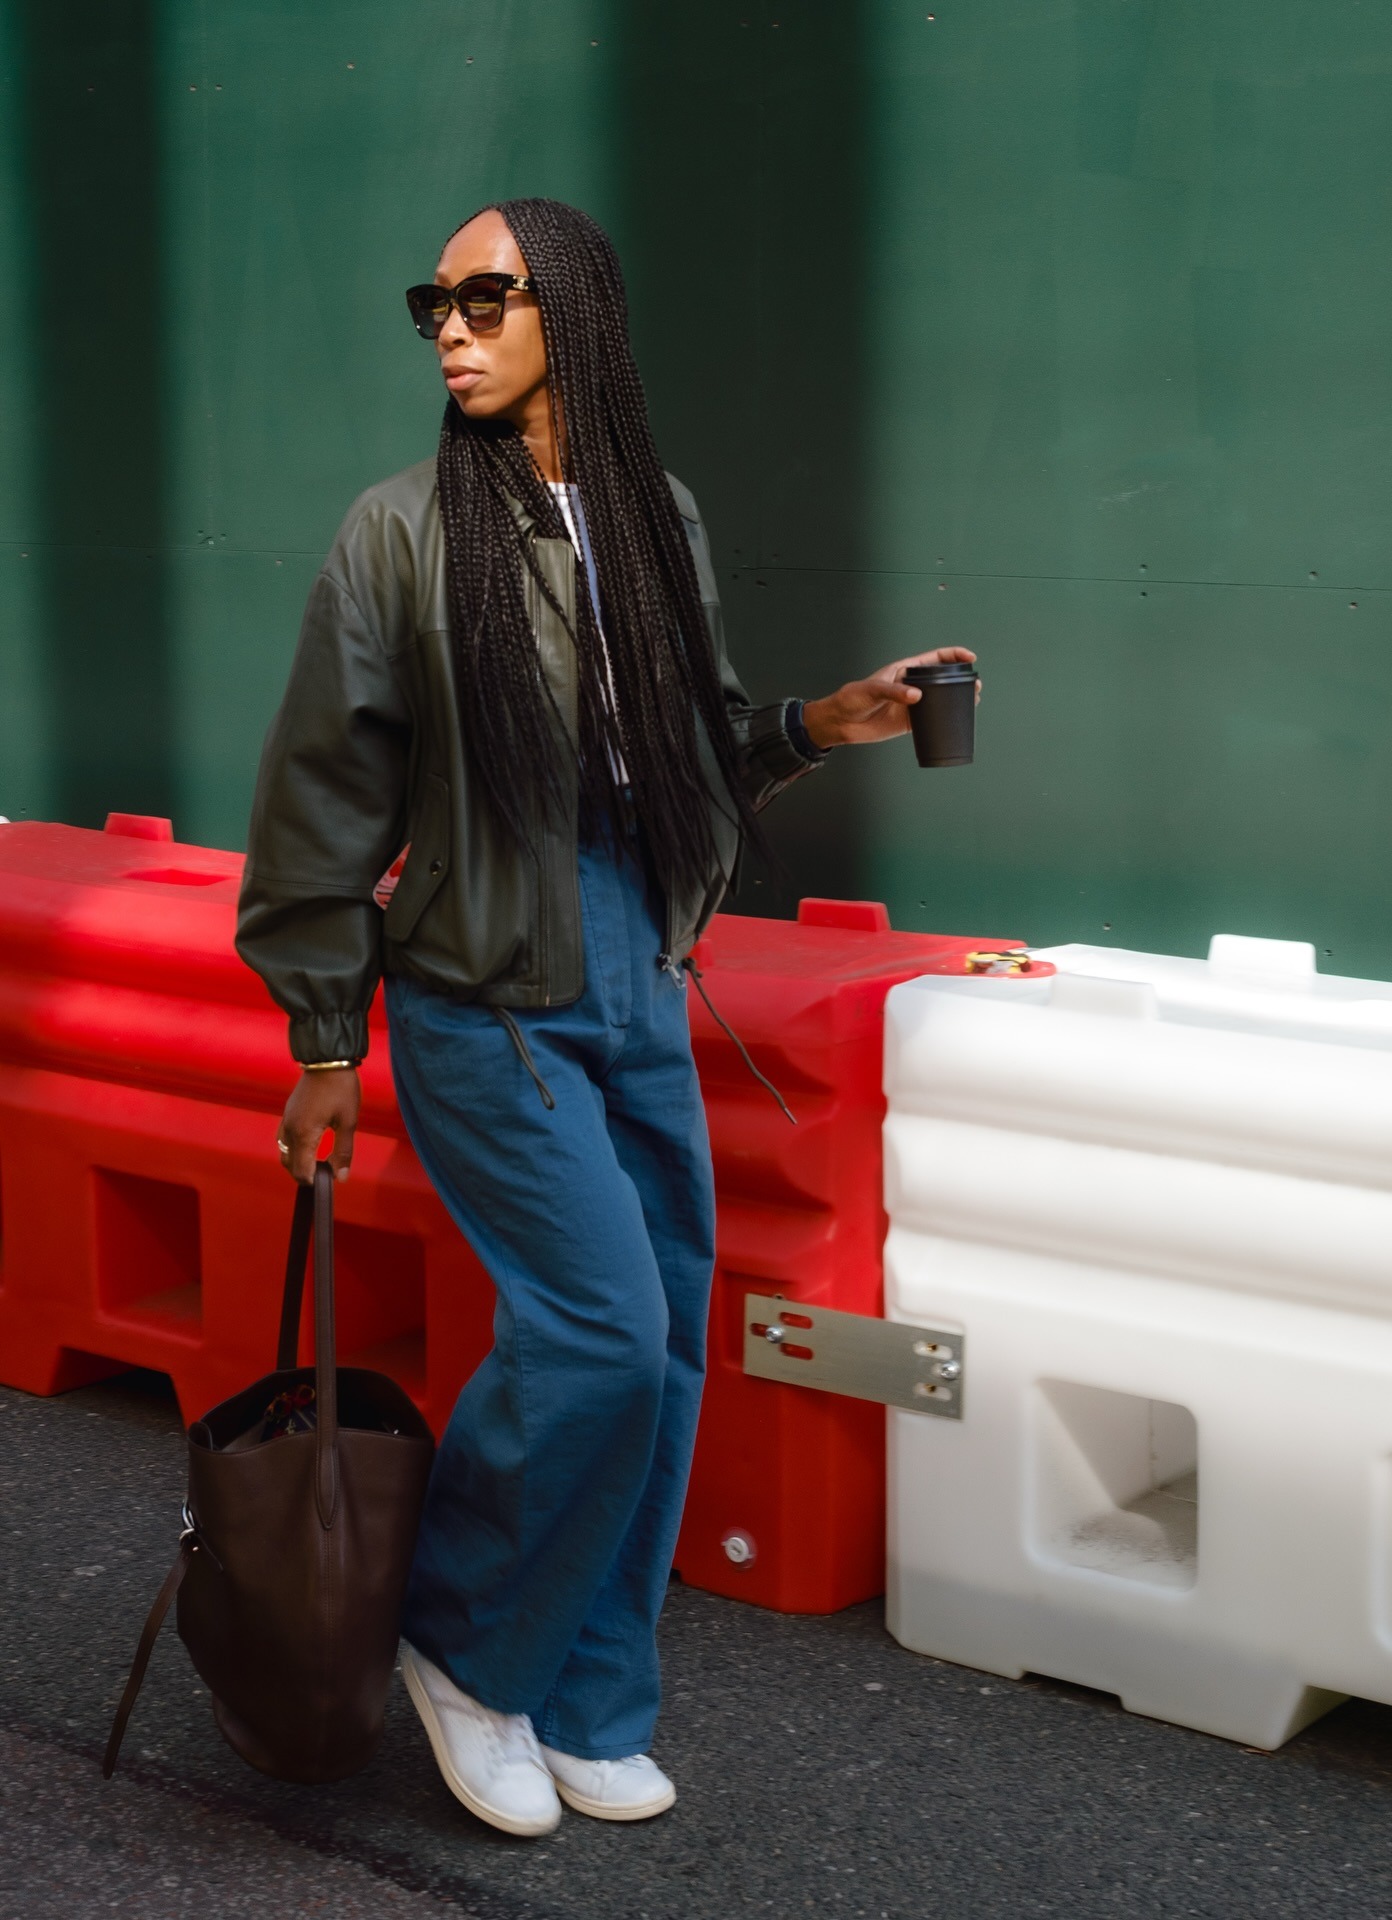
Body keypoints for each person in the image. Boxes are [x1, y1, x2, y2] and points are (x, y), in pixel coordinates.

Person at [237, 196, 975, 1837]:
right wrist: (318, 1039)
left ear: (572, 307)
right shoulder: (398, 531)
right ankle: (458, 1641)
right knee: (589, 1340)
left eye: (485, 295)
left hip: (640, 971)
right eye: (433, 297)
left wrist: (808, 726)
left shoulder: (655, 519)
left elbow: (678, 743)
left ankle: (584, 1695)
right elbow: (321, 802)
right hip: (481, 995)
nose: (451, 323)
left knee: (660, 1348)